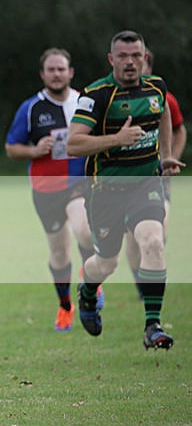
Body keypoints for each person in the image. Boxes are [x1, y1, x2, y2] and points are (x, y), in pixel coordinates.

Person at [67, 30, 185, 349]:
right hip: (105, 192)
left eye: (137, 56)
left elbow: (162, 117)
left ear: (145, 58)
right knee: (106, 263)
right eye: (123, 56)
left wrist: (165, 155)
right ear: (111, 60)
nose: (131, 62)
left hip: (145, 185)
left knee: (153, 240)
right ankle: (88, 292)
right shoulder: (97, 94)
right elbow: (74, 143)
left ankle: (152, 325)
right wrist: (116, 140)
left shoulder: (156, 87)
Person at [5, 48, 102, 331]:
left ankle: (91, 285)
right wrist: (35, 150)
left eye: (61, 69)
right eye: (51, 70)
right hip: (46, 188)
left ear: (70, 72)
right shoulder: (31, 108)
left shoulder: (85, 103)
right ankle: (65, 306)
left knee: (84, 230)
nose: (57, 74)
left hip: (80, 183)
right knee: (59, 254)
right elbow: (12, 148)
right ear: (43, 74)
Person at [123, 48, 187, 298]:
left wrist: (171, 157)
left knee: (159, 232)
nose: (136, 65)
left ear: (148, 66)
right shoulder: (113, 97)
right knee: (132, 239)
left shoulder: (163, 97)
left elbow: (180, 129)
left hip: (156, 176)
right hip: (127, 178)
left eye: (141, 61)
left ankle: (152, 273)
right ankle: (141, 284)